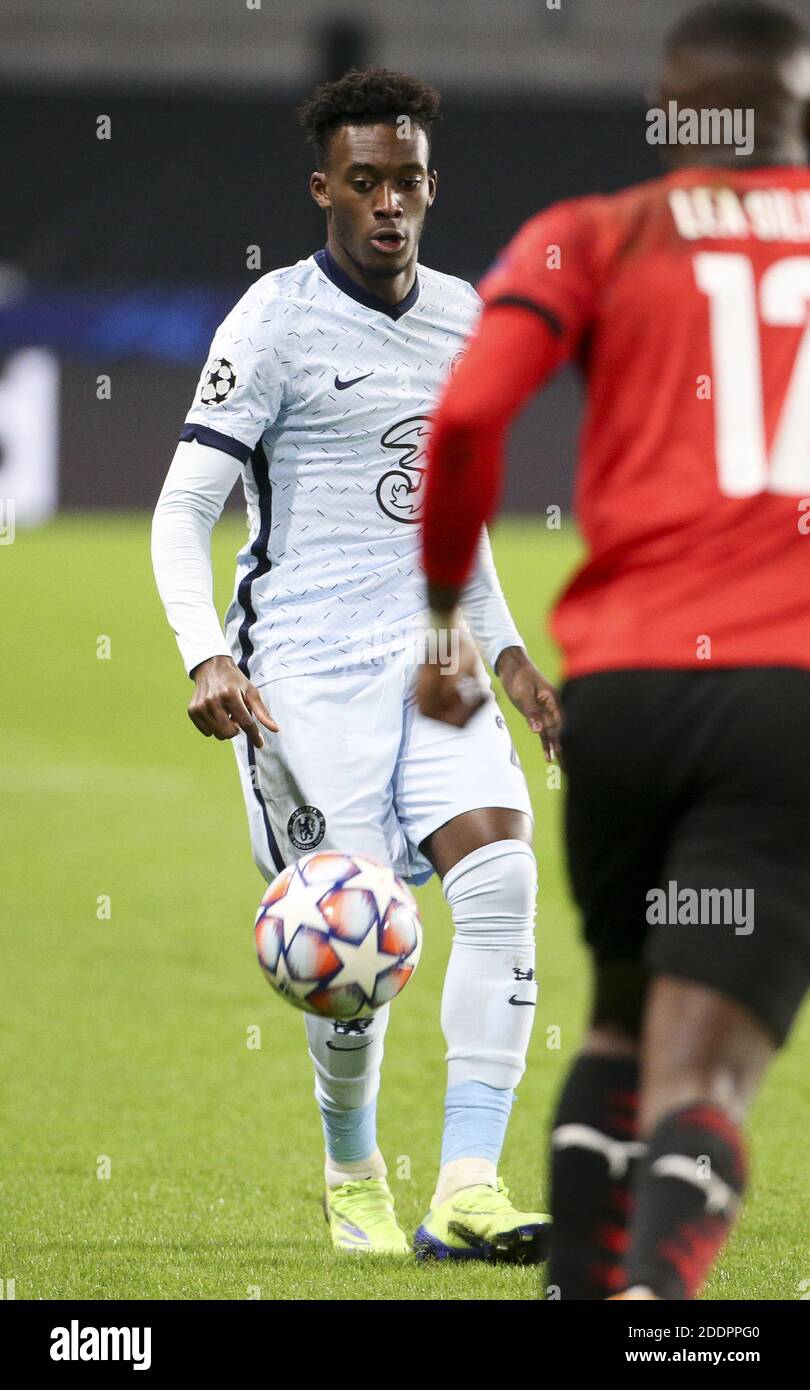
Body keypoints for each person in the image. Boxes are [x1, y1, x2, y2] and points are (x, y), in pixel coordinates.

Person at [417, 1, 810, 1298]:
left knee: (622, 1023)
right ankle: (655, 1301)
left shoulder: (590, 231)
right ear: (795, 112)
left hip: (625, 697)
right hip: (785, 701)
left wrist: (441, 620)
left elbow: (468, 412)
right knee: (704, 1075)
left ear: (667, 110)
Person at [152, 68, 561, 1261]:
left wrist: (513, 655)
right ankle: (353, 1169)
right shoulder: (271, 322)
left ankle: (468, 1189)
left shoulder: (465, 316)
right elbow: (184, 512)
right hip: (304, 675)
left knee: (503, 877)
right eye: (368, 182)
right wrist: (206, 655)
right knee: (356, 945)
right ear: (325, 187)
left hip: (433, 659)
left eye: (411, 181)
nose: (391, 204)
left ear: (432, 188)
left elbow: (458, 517)